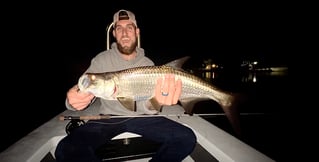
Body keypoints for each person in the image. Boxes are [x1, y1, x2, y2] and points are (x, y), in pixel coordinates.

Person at [55, 9, 197, 162]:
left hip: (143, 118)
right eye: (119, 28)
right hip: (107, 119)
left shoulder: (147, 64)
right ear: (114, 33)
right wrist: (71, 100)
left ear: (137, 32)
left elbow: (148, 106)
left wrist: (158, 101)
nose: (124, 33)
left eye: (129, 28)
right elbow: (85, 84)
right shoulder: (101, 60)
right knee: (65, 149)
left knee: (186, 138)